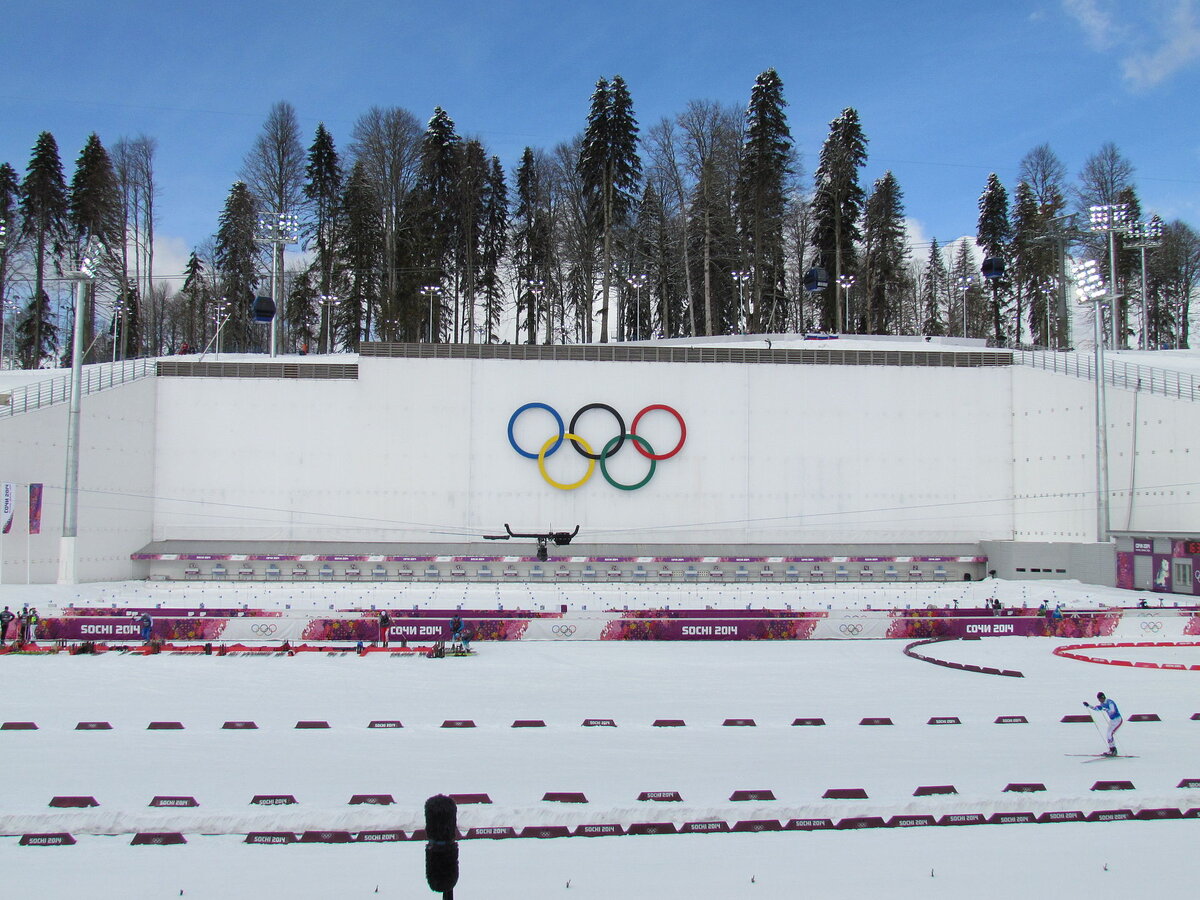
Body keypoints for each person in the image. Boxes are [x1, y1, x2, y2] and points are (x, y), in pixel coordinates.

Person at [1084, 692, 1123, 756]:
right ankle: (1111, 750)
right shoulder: (1102, 704)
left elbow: (1112, 711)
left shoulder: (1110, 702)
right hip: (1112, 721)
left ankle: (1113, 751)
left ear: (1102, 697)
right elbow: (1096, 709)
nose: (1099, 701)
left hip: (1118, 720)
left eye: (1099, 699)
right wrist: (1088, 705)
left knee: (1110, 734)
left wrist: (1103, 708)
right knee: (1108, 735)